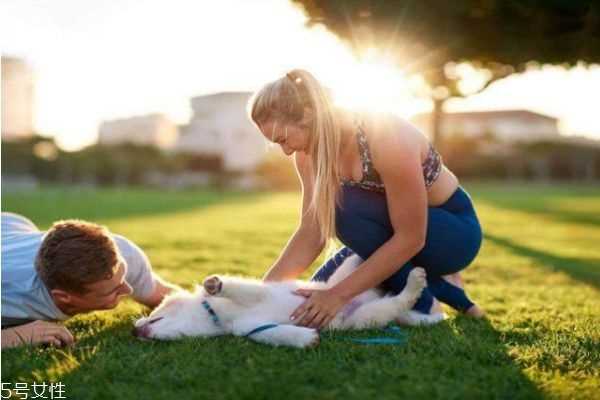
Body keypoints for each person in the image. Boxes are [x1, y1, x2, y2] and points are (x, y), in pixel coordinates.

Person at [248, 69, 484, 330]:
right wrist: (258, 297)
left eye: (282, 139)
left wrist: (337, 296)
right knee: (316, 293)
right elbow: (311, 232)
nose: (286, 150)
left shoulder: (386, 137)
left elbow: (410, 237)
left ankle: (425, 304)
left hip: (451, 234)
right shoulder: (307, 155)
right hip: (386, 235)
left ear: (307, 115)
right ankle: (449, 291)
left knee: (342, 207)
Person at [1, 212, 178, 348]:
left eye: (122, 277)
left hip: (13, 227)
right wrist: (12, 336)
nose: (128, 290)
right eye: (112, 291)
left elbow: (164, 295)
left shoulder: (122, 253)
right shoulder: (10, 295)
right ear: (64, 297)